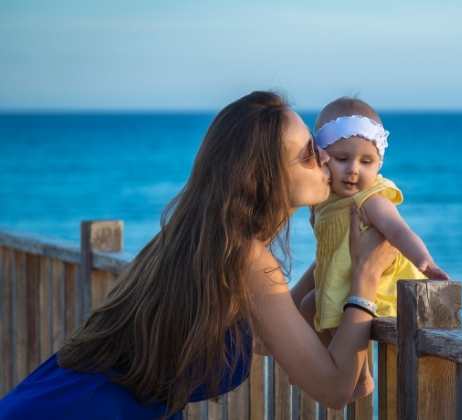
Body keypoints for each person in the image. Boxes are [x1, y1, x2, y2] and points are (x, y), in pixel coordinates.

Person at [0, 91, 398, 419]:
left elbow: (265, 335)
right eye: (310, 153)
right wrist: (363, 277)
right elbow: (334, 389)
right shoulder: (247, 257)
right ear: (265, 175)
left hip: (57, 398)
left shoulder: (200, 239)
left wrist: (335, 259)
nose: (328, 157)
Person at [291, 97, 449, 398]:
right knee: (308, 305)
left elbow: (398, 230)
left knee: (329, 310)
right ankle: (321, 367)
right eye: (342, 159)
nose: (353, 170)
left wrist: (425, 262)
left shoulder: (371, 199)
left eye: (366, 162)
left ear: (379, 163)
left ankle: (360, 377)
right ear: (322, 158)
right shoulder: (326, 201)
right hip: (341, 279)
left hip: (372, 287)